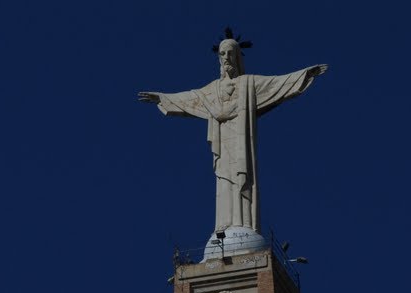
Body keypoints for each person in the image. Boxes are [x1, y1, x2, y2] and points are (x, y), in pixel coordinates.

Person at [139, 34, 327, 234]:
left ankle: (243, 225)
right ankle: (224, 226)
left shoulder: (249, 84)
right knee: (223, 181)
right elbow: (189, 98)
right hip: (223, 147)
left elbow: (277, 84)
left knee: (242, 178)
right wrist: (162, 97)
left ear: (238, 56)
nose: (226, 57)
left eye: (230, 53)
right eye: (222, 54)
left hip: (241, 145)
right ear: (219, 58)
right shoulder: (211, 90)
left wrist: (305, 74)